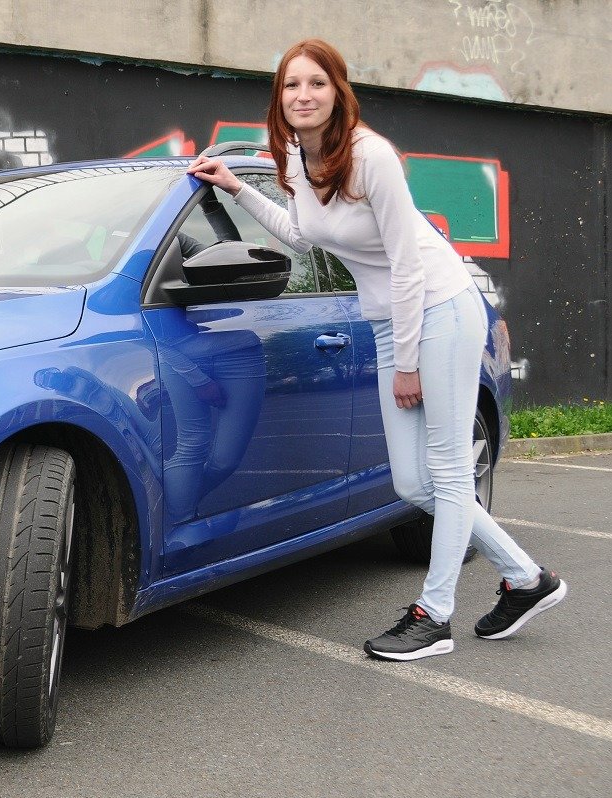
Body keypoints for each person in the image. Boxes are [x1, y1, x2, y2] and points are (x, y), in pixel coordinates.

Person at [189, 38, 568, 661]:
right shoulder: (297, 158)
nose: (303, 96)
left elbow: (408, 264)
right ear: (278, 98)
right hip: (391, 322)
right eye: (291, 86)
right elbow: (303, 232)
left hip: (439, 309)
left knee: (445, 472)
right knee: (413, 481)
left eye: (317, 83)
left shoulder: (370, 157)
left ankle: (434, 616)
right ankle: (527, 578)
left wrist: (410, 362)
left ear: (339, 92)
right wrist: (236, 188)